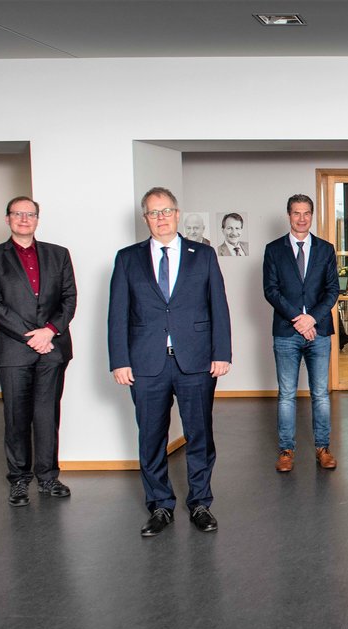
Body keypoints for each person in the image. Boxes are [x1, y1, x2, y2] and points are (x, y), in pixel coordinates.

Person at [108, 187, 232, 537]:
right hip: (146, 363)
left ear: (177, 215)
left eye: (166, 211)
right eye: (153, 212)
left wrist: (221, 353)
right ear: (145, 218)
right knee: (150, 438)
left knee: (199, 436)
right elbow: (117, 314)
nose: (161, 218)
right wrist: (120, 360)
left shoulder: (203, 255)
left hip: (196, 360)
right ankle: (160, 505)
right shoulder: (127, 258)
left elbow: (218, 306)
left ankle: (200, 503)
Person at [0, 196, 77, 506]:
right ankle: (19, 480)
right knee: (17, 417)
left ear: (37, 218)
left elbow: (69, 298)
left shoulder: (58, 255)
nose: (24, 219)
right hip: (12, 350)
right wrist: (30, 336)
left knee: (47, 415)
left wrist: (49, 331)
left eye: (29, 214)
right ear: (7, 219)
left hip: (53, 348)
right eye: (17, 214)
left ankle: (48, 478)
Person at [263, 194, 342, 473]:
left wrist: (312, 319)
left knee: (320, 393)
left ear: (312, 215)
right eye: (296, 213)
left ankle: (323, 448)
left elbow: (333, 289)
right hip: (286, 332)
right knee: (287, 394)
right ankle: (287, 450)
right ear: (289, 215)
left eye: (306, 213)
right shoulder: (274, 250)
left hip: (319, 332)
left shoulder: (325, 249)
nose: (302, 218)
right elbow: (271, 290)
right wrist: (299, 319)